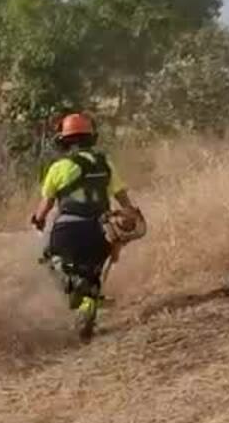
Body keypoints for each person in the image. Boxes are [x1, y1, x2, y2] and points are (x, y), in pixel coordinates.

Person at [28, 112, 144, 336]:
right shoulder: (105, 163)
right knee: (94, 270)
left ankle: (74, 287)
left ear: (64, 140)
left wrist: (38, 220)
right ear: (91, 138)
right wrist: (130, 214)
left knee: (48, 259)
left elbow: (46, 205)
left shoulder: (58, 167)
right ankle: (89, 301)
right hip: (101, 230)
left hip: (67, 231)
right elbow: (122, 197)